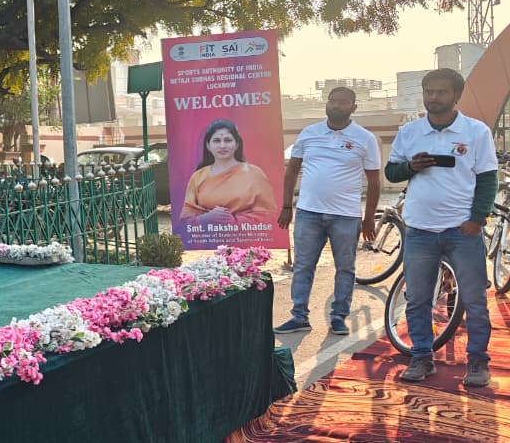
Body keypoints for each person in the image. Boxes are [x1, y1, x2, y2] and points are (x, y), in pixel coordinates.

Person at [385, 68, 496, 387]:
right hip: (420, 231)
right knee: (418, 299)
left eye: (441, 92)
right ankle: (422, 357)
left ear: (456, 95)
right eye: (429, 91)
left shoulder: (476, 132)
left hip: (462, 232)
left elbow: (488, 178)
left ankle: (477, 361)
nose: (433, 97)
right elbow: (391, 172)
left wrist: (477, 218)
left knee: (474, 300)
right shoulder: (410, 132)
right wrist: (410, 167)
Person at [274, 87, 381, 336]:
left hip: (346, 216)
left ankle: (338, 316)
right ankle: (299, 316)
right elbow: (292, 170)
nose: (335, 105)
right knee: (303, 266)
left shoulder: (365, 138)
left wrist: (368, 219)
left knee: (345, 267)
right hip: (308, 213)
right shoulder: (309, 133)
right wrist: (287, 206)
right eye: (332, 101)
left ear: (354, 107)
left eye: (342, 102)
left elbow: (374, 182)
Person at [180, 119, 279, 227]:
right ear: (208, 146)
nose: (222, 146)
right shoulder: (198, 176)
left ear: (237, 144)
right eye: (217, 141)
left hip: (246, 235)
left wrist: (234, 221)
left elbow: (270, 215)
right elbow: (186, 216)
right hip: (207, 235)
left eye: (228, 140)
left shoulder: (255, 174)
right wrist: (205, 218)